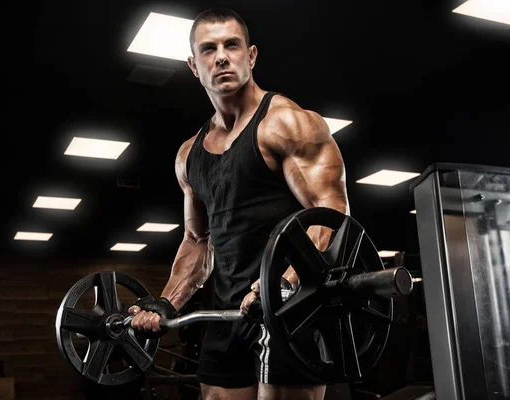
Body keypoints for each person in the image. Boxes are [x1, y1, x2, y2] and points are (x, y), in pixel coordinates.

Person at [128, 7, 349, 400]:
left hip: (290, 310)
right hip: (228, 314)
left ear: (252, 55)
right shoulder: (188, 155)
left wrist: (283, 284)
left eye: (232, 45)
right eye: (209, 49)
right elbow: (198, 240)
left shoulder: (287, 123)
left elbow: (330, 215)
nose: (222, 56)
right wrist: (166, 302)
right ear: (194, 66)